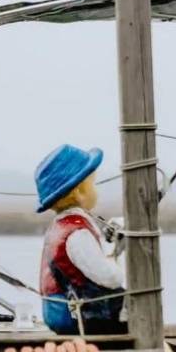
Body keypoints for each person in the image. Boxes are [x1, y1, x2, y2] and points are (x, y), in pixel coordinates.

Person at [34, 143, 125, 335]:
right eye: (92, 184)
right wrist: (122, 256)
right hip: (80, 318)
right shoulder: (77, 234)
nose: (95, 189)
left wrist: (112, 243)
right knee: (136, 302)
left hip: (66, 312)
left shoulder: (61, 225)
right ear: (80, 191)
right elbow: (110, 278)